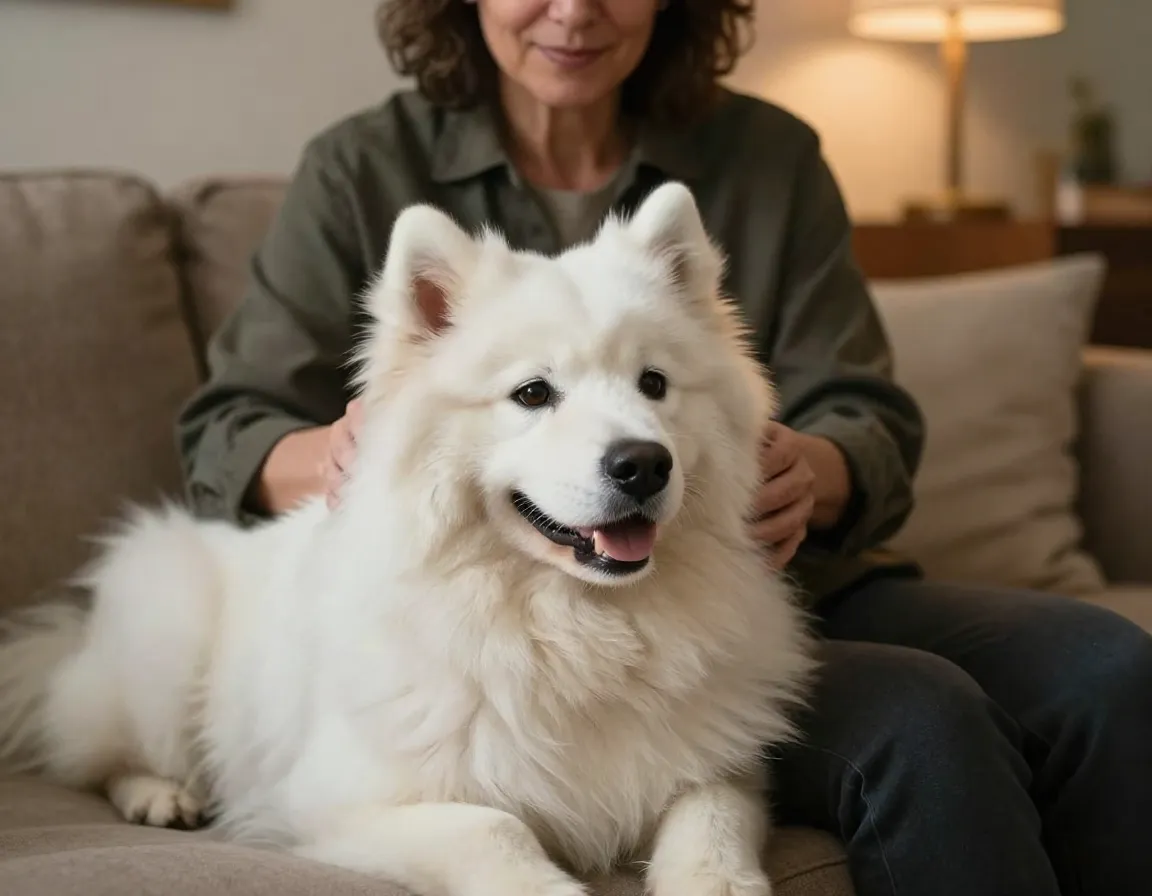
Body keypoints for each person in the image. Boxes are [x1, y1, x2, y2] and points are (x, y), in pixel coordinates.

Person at [176, 1, 1152, 894]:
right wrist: (350, 448)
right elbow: (229, 423)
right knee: (924, 723)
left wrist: (816, 468)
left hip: (775, 571)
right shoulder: (364, 167)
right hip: (543, 613)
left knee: (1109, 665)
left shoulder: (767, 156)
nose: (575, 11)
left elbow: (865, 406)